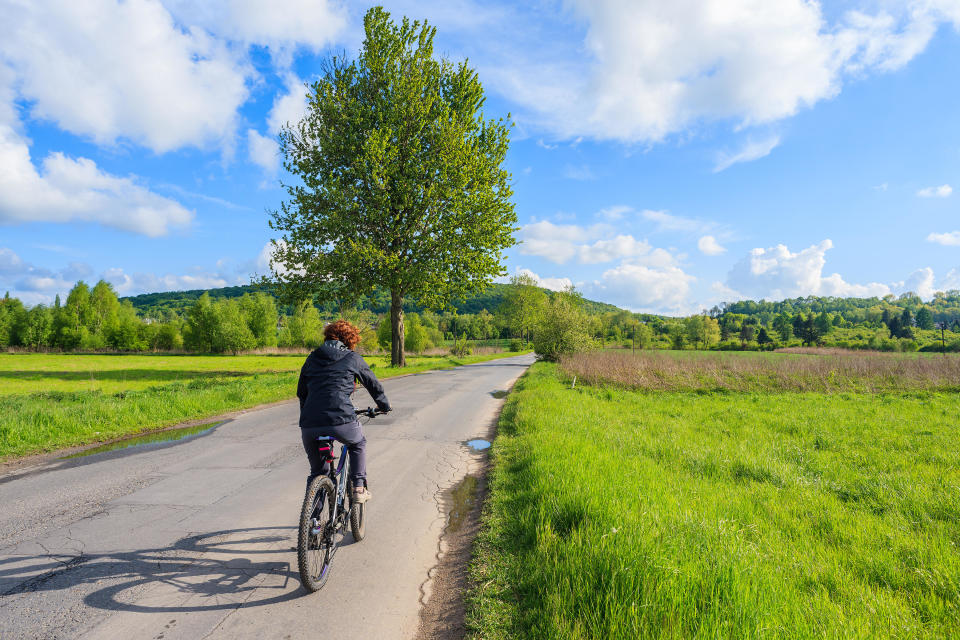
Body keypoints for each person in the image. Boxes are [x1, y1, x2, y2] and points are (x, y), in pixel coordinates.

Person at [297, 319, 391, 503]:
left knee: (318, 472)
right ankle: (358, 487)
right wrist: (384, 405)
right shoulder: (352, 357)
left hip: (310, 424)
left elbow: (302, 392)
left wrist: (307, 415)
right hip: (341, 420)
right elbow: (373, 384)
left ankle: (313, 524)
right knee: (358, 444)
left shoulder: (311, 358)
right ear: (350, 340)